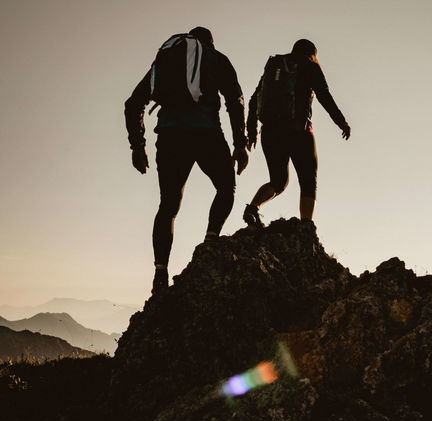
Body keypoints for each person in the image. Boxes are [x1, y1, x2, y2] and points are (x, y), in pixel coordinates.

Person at [124, 26, 249, 294]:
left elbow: (133, 103)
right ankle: (210, 242)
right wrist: (240, 143)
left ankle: (160, 273)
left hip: (170, 137)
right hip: (206, 134)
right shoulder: (217, 58)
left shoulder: (166, 61)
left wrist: (138, 146)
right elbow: (235, 100)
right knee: (227, 187)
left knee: (168, 204)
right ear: (210, 43)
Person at [242, 39, 350, 228]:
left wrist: (251, 131)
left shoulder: (274, 66)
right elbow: (324, 95)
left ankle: (253, 207)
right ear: (312, 54)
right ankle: (306, 225)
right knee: (308, 180)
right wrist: (342, 122)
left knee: (278, 181)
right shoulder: (310, 65)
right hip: (298, 131)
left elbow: (254, 100)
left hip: (270, 132)